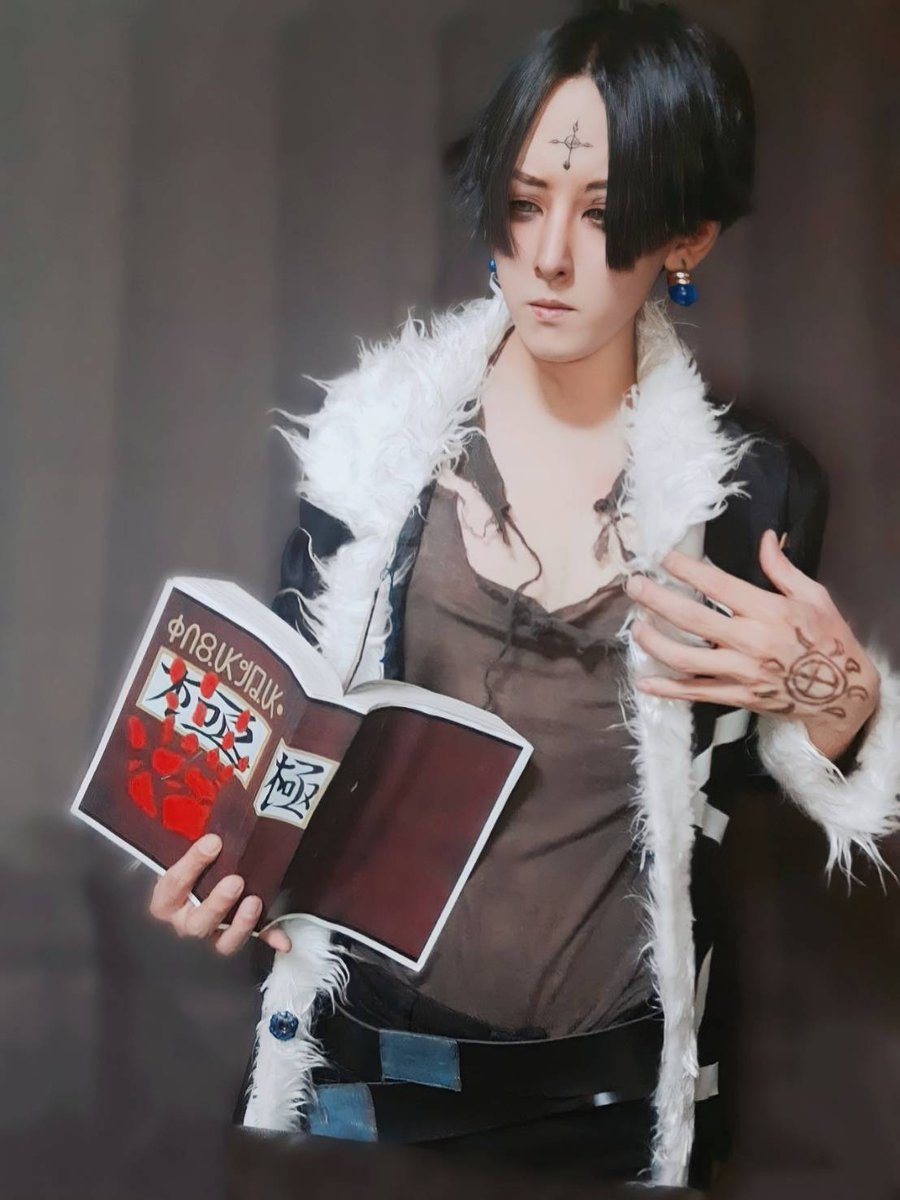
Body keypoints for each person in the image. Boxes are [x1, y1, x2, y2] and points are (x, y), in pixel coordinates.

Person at [148, 3, 900, 1193]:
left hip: (613, 1104)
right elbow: (289, 733)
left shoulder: (752, 492)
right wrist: (226, 870)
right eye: (524, 198)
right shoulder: (372, 451)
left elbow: (752, 778)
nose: (549, 255)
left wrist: (839, 700)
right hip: (362, 1077)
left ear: (687, 236)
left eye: (603, 213)